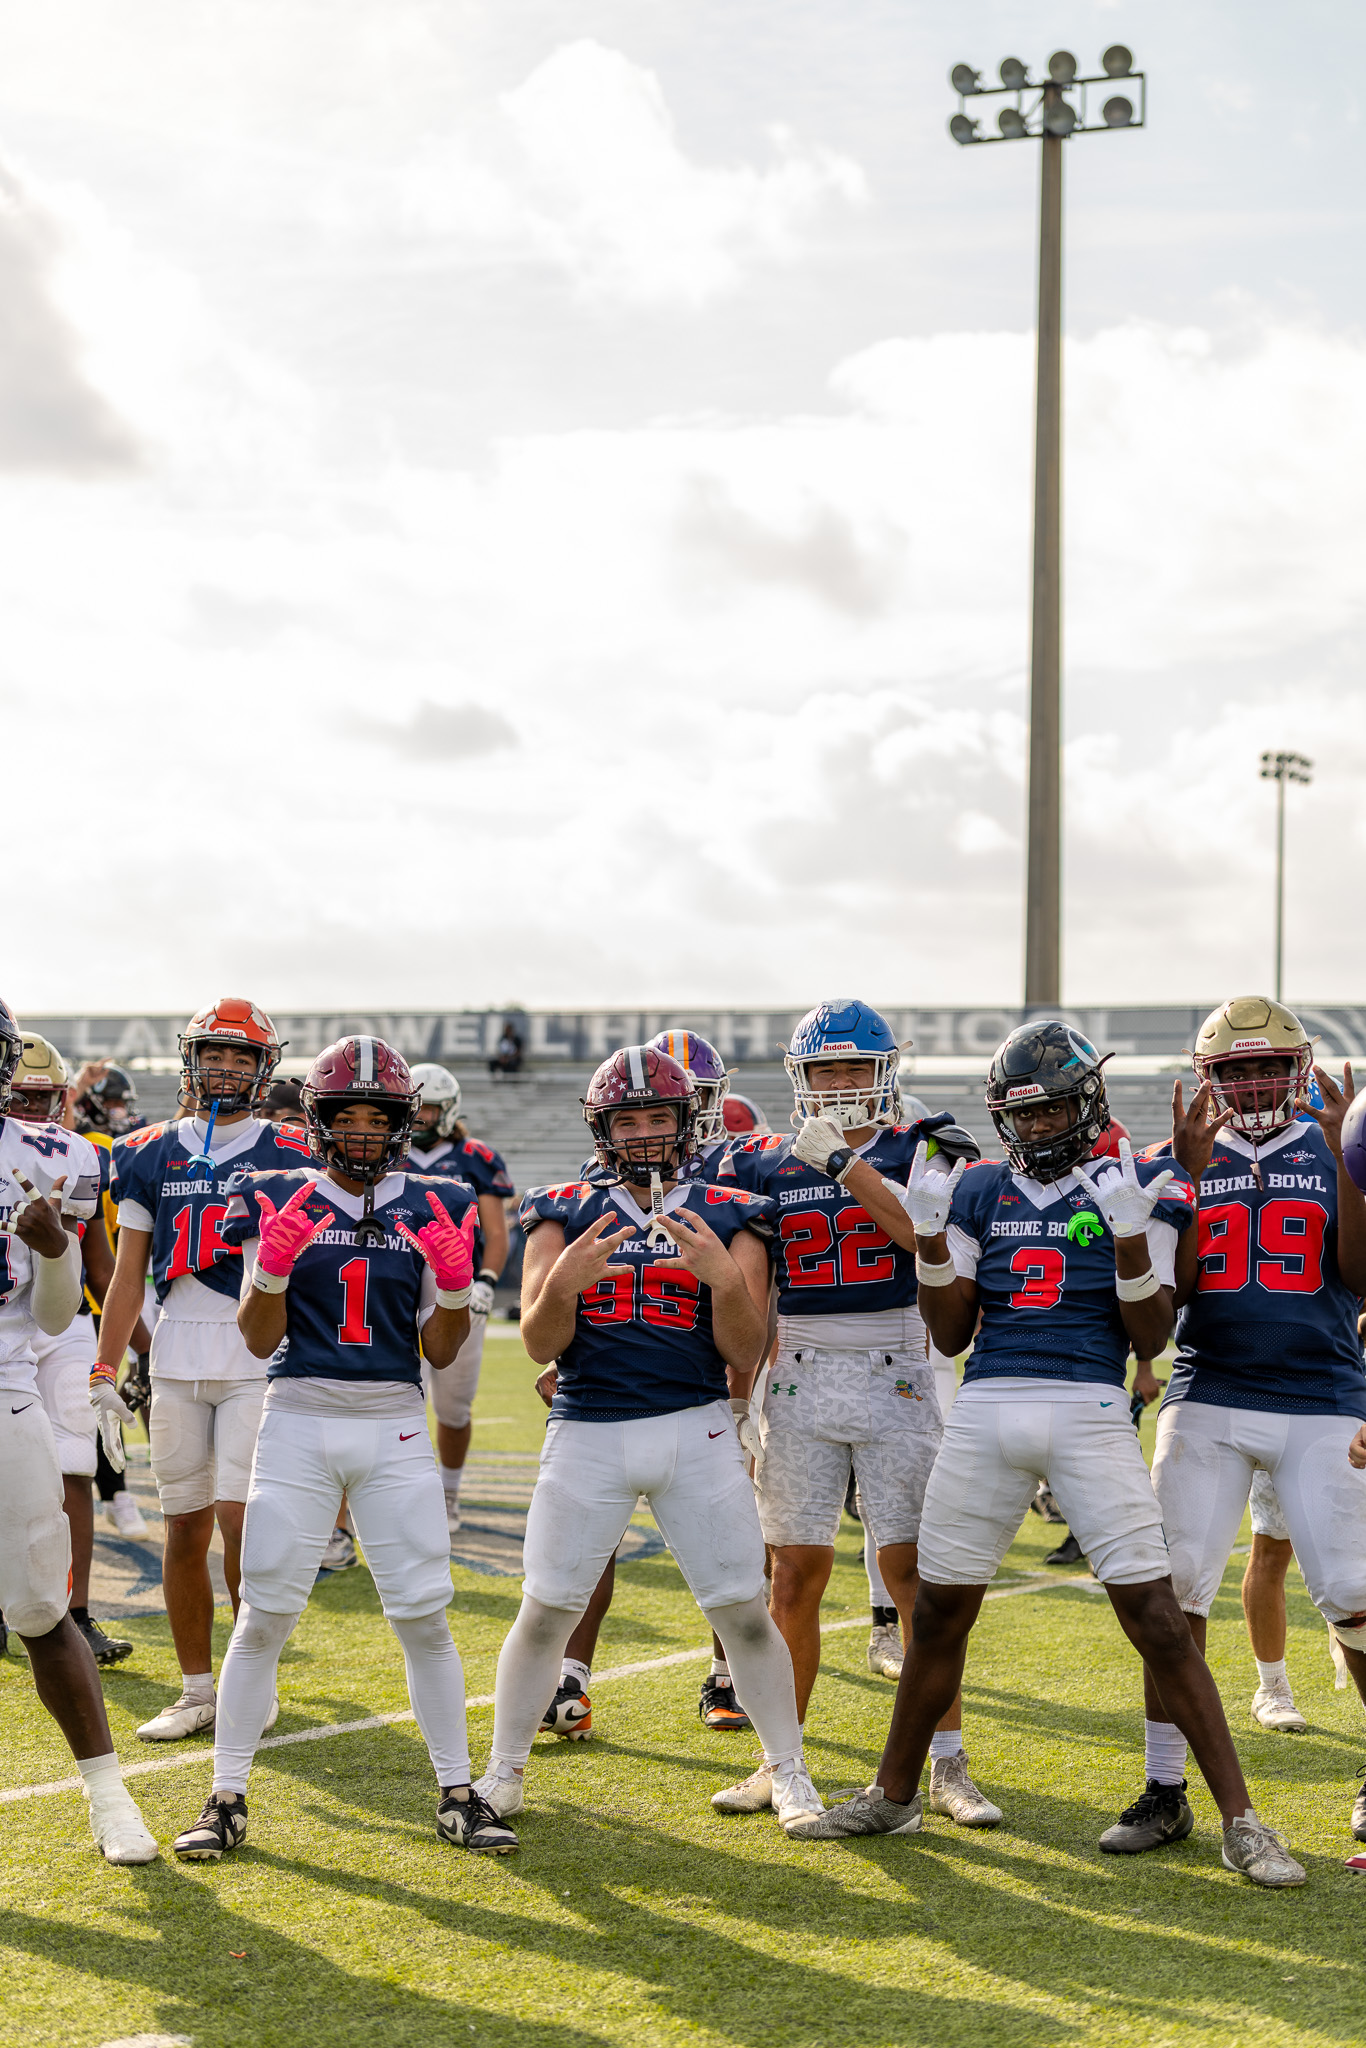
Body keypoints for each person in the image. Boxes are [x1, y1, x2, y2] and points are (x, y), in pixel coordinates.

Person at [795, 1019, 1305, 1889]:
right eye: (1022, 1114)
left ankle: (1243, 1821)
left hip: (1088, 1406)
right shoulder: (978, 1186)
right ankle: (894, 1792)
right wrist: (929, 1244)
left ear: (1088, 1105)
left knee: (1156, 1619)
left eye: (1052, 1111)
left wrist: (1132, 1239)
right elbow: (950, 1335)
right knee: (939, 1615)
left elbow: (1152, 1336)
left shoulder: (1135, 1182)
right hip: (988, 1404)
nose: (1036, 1127)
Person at [172, 1034, 515, 1859]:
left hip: (394, 1419)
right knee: (264, 1616)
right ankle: (225, 1797)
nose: (363, 1131)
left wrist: (457, 1290)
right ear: (319, 1119)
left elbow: (440, 1352)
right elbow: (258, 1340)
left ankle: (459, 1794)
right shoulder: (274, 1192)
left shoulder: (440, 1198)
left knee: (424, 1617)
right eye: (348, 1116)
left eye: (379, 1117)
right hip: (296, 1415)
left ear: (404, 1121)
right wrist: (271, 1273)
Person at [472, 1045, 822, 1833]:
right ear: (602, 1129)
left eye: (657, 1116)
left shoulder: (732, 1210)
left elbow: (744, 1349)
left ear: (685, 1121)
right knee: (545, 1608)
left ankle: (789, 1771)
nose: (642, 1134)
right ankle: (504, 1772)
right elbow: (538, 1342)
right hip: (587, 1426)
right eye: (626, 1121)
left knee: (742, 1610)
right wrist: (563, 1284)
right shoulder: (562, 1208)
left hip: (693, 1424)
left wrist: (723, 1280)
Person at [714, 1000, 998, 1829]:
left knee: (913, 1577)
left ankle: (946, 1763)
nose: (838, 1082)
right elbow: (754, 1291)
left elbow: (922, 1235)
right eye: (824, 1069)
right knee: (792, 1577)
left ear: (884, 1071)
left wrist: (845, 1165)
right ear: (800, 1077)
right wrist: (738, 1395)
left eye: (852, 1066)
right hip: (799, 1374)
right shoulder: (763, 1162)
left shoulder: (929, 1144)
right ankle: (780, 1761)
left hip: (898, 1367)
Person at [1125, 997, 1366, 1855]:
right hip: (1211, 1387)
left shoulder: (1341, 1145)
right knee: (1175, 1592)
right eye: (1237, 1069)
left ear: (1298, 1069)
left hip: (1323, 1389)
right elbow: (1173, 1296)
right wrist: (1185, 1177)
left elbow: (1359, 1273)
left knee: (1353, 1593)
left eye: (1269, 1066)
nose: (1256, 1083)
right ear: (1207, 1077)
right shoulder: (1172, 1158)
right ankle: (1164, 1786)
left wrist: (1348, 1166)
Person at [92, 999, 313, 1742]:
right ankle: (195, 1690)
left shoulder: (291, 1150)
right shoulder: (147, 1150)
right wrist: (104, 1369)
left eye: (241, 1056)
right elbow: (127, 1276)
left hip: (256, 1356)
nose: (225, 1067)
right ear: (191, 1059)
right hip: (176, 1354)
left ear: (263, 1068)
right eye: (214, 1053)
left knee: (242, 1523)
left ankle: (251, 1682)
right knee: (183, 1527)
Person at [534, 1029, 753, 1743]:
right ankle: (570, 1672)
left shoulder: (745, 1171)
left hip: (713, 1382)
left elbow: (756, 1306)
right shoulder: (595, 1184)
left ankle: (728, 1672)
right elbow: (569, 1298)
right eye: (629, 1117)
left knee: (729, 1547)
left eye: (670, 1110)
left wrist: (746, 1383)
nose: (648, 1131)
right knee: (589, 1539)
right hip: (607, 1390)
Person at [0, 996, 157, 1863]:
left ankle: (108, 1796)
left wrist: (55, 1250)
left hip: (5, 1387)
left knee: (38, 1605)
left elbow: (57, 1316)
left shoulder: (50, 1155)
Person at [9, 1035, 134, 1666]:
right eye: (22, 1097)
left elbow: (98, 1263)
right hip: (9, 1318)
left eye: (43, 1098)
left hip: (63, 1324)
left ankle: (77, 1612)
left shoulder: (78, 1155)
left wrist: (139, 1345)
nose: (33, 1109)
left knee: (75, 1464)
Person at [407, 1063, 514, 1538]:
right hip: (397, 1283)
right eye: (417, 1108)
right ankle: (402, 1492)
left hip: (456, 1286)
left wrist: (486, 1280)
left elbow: (496, 1231)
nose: (422, 1117)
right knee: (394, 1397)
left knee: (453, 1406)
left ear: (449, 1111)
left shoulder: (476, 1156)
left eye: (431, 1109)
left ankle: (448, 1492)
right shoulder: (388, 1151)